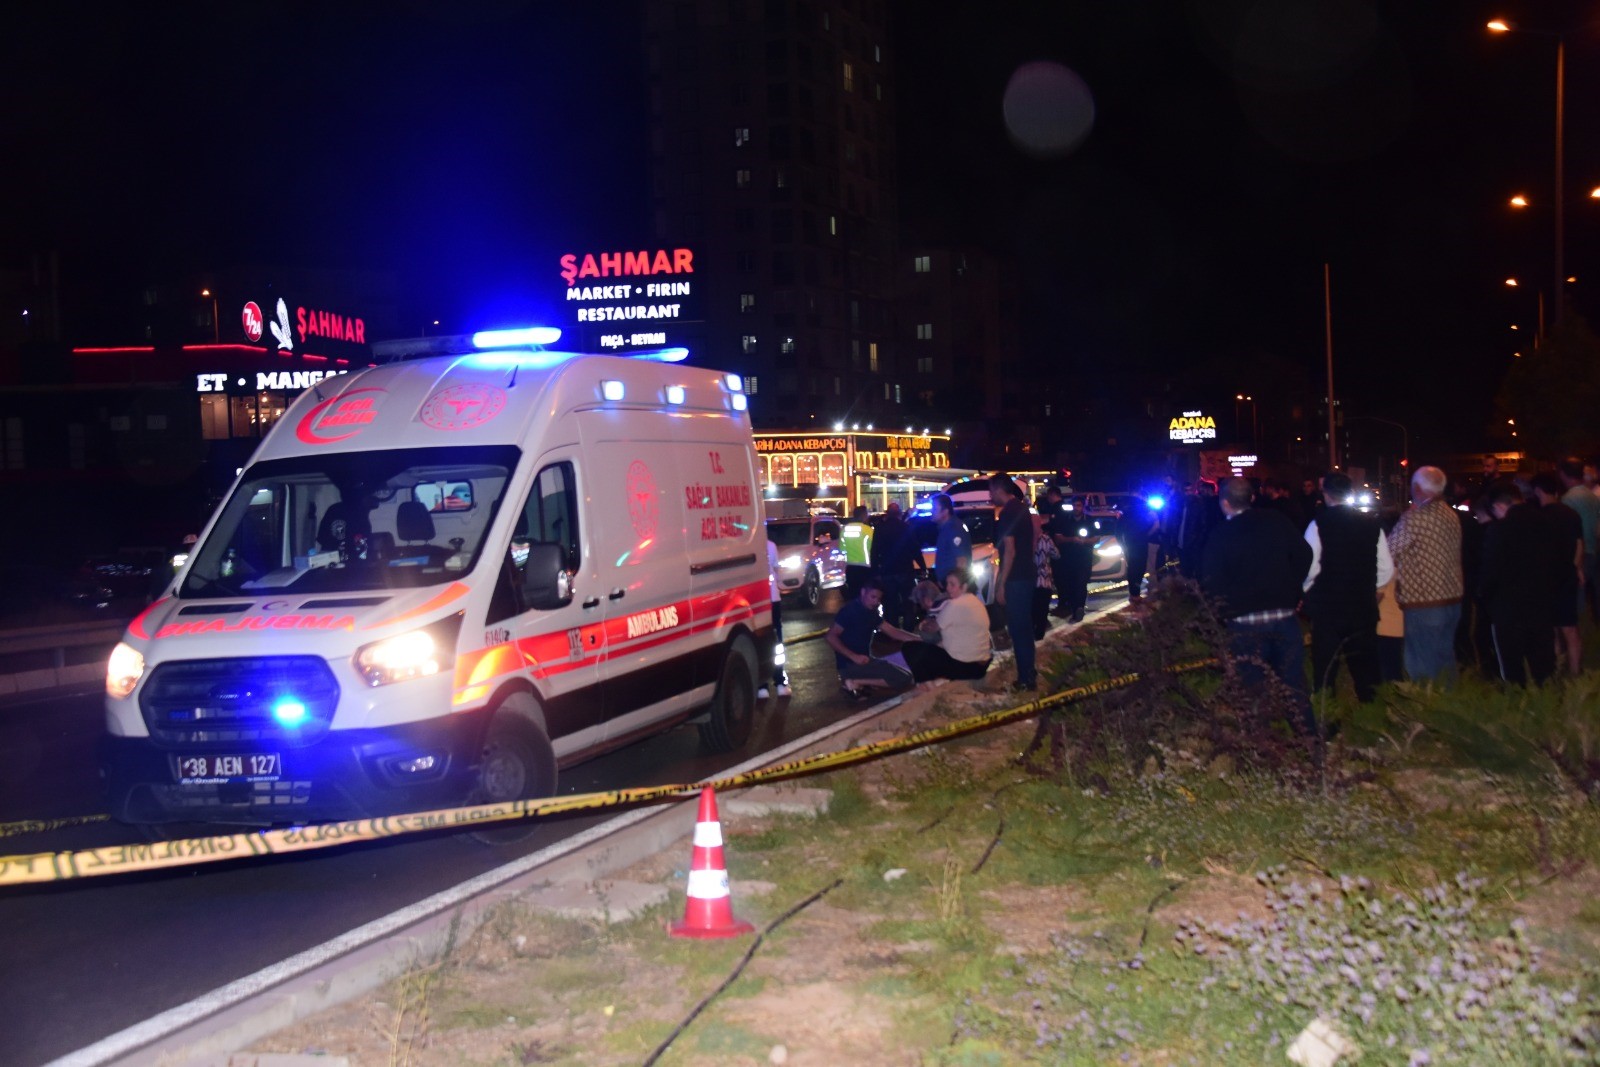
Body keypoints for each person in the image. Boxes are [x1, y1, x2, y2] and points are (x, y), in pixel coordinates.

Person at [1200, 477, 1314, 734]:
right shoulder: (1277, 521)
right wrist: (1293, 589)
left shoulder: (1220, 535)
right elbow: (1304, 555)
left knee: (1253, 687)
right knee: (1294, 683)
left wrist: (1223, 611)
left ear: (1224, 503)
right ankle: (1309, 740)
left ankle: (1262, 743)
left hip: (1244, 625)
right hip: (1283, 618)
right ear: (1252, 498)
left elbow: (1209, 580)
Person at [1302, 471, 1393, 703]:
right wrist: (1369, 586)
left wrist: (1308, 590)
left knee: (1325, 671)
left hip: (1328, 609)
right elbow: (1386, 568)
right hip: (1362, 607)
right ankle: (1373, 715)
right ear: (1351, 492)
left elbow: (1309, 567)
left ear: (1325, 494)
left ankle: (1326, 718)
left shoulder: (1318, 524)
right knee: (1367, 670)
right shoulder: (1372, 524)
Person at [1389, 465, 1464, 686]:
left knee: (1422, 664)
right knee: (1444, 659)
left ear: (1417, 489)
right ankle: (1449, 702)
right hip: (1452, 598)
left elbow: (1389, 550)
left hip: (1424, 602)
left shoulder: (1415, 519)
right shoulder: (1450, 514)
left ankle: (1426, 704)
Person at [1479, 481, 1557, 685]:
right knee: (1544, 668)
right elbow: (1559, 563)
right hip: (1541, 605)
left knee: (1512, 670)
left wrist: (1486, 599)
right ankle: (1547, 701)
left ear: (1498, 506)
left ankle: (1517, 702)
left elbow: (1490, 571)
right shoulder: (1547, 523)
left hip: (1508, 609)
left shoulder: (1499, 530)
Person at [898, 570, 994, 684]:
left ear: (964, 587)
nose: (948, 588)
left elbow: (931, 629)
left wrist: (921, 625)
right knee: (934, 649)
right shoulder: (975, 601)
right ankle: (929, 681)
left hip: (967, 667)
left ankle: (925, 684)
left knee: (910, 648)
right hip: (982, 664)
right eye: (947, 584)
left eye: (952, 584)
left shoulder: (955, 604)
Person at [826, 578, 917, 699]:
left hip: (864, 660)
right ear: (863, 592)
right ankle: (855, 682)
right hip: (850, 664)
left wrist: (918, 639)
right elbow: (830, 636)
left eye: (878, 599)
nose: (876, 602)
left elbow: (893, 632)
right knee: (904, 678)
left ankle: (859, 682)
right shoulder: (850, 611)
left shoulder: (870, 612)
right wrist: (853, 656)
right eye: (873, 597)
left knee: (904, 674)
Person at [990, 474, 1039, 692]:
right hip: (1026, 574)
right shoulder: (1022, 509)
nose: (990, 495)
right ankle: (1029, 671)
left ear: (998, 489)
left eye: (991, 490)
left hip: (1016, 578)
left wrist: (1001, 582)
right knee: (1025, 628)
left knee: (1018, 629)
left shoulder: (1008, 513)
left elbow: (1009, 550)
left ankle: (1026, 678)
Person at [1533, 472, 1584, 676]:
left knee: (1551, 628)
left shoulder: (1539, 517)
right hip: (1567, 576)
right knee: (1570, 628)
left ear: (1538, 491)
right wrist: (1576, 568)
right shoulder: (1571, 514)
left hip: (1545, 578)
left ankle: (1556, 670)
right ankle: (1575, 672)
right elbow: (1579, 544)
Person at [1557, 459, 1599, 627]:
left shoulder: (1568, 499)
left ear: (1563, 474)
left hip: (1578, 552)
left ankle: (1579, 628)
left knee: (1578, 594)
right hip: (1595, 548)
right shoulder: (1592, 496)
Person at [869, 501, 921, 629]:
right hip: (905, 571)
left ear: (887, 514)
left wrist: (875, 572)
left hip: (887, 572)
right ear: (899, 514)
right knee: (908, 603)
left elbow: (874, 552)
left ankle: (893, 631)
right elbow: (915, 549)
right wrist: (923, 566)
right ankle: (908, 630)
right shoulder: (905, 527)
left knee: (890, 604)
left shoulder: (880, 528)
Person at [759, 537, 792, 699]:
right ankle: (780, 683)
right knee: (777, 642)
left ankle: (761, 686)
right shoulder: (770, 545)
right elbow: (777, 573)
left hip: (756, 602)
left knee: (760, 642)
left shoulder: (742, 546)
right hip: (772, 599)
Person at [930, 492, 971, 585]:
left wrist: (956, 586)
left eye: (935, 509)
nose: (932, 511)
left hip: (953, 584)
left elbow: (961, 561)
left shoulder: (953, 528)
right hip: (950, 583)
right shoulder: (946, 528)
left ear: (945, 511)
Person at [1031, 512, 1059, 641]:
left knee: (1032, 609)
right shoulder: (1047, 539)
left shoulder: (1025, 540)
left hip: (1031, 581)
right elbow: (1056, 555)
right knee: (1042, 609)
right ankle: (1039, 636)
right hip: (1045, 580)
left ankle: (1032, 633)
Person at [841, 504, 873, 599]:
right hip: (865, 567)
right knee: (865, 594)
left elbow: (842, 549)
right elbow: (874, 548)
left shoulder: (845, 529)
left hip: (850, 567)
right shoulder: (868, 530)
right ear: (863, 515)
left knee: (853, 593)